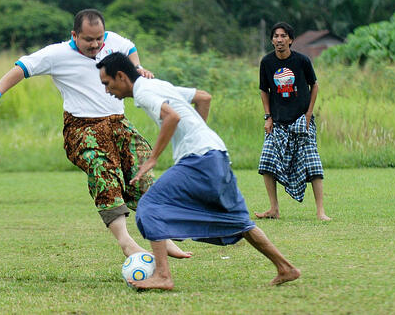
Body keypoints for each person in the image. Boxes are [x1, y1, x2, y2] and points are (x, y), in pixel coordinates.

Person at [0, 9, 191, 259]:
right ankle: (126, 242)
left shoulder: (114, 41)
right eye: (88, 39)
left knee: (142, 173)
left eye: (99, 39)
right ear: (74, 35)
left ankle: (160, 238)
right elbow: (22, 68)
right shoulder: (56, 54)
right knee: (103, 171)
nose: (96, 44)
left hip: (119, 124)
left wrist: (138, 68)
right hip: (82, 127)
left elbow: (130, 49)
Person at [96, 52, 301, 290]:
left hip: (199, 159)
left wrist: (152, 159)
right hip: (217, 154)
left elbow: (171, 117)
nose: (107, 90)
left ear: (121, 76)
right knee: (239, 221)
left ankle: (163, 276)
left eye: (107, 83)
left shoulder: (143, 91)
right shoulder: (158, 84)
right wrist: (199, 133)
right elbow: (204, 98)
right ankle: (286, 268)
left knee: (150, 207)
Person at [255, 22, 331, 221]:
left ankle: (320, 211)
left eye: (283, 36)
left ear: (290, 40)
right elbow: (264, 90)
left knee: (312, 163)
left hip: (301, 120)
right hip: (278, 121)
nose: (279, 40)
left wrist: (308, 114)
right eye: (276, 36)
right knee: (267, 160)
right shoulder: (267, 62)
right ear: (272, 40)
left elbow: (314, 85)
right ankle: (274, 209)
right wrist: (268, 116)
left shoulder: (302, 61)